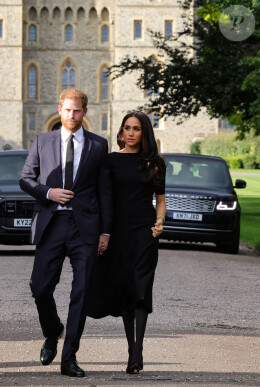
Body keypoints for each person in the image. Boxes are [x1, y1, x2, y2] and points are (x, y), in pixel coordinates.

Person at [19, 88, 112, 377]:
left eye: (77, 111)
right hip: (52, 224)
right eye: (67, 110)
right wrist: (48, 192)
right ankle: (52, 330)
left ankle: (69, 357)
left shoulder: (98, 145)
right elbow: (25, 179)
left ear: (85, 112)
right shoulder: (42, 141)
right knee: (40, 287)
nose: (72, 116)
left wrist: (106, 231)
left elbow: (104, 191)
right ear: (60, 109)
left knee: (81, 292)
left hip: (86, 227)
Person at [86, 111, 166, 374]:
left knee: (141, 288)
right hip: (117, 234)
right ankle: (131, 345)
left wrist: (160, 223)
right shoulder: (109, 161)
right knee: (125, 289)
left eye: (137, 129)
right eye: (127, 128)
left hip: (144, 233)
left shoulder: (154, 163)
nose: (131, 133)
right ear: (121, 131)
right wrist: (102, 233)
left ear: (144, 133)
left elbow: (161, 199)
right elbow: (103, 198)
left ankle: (137, 350)